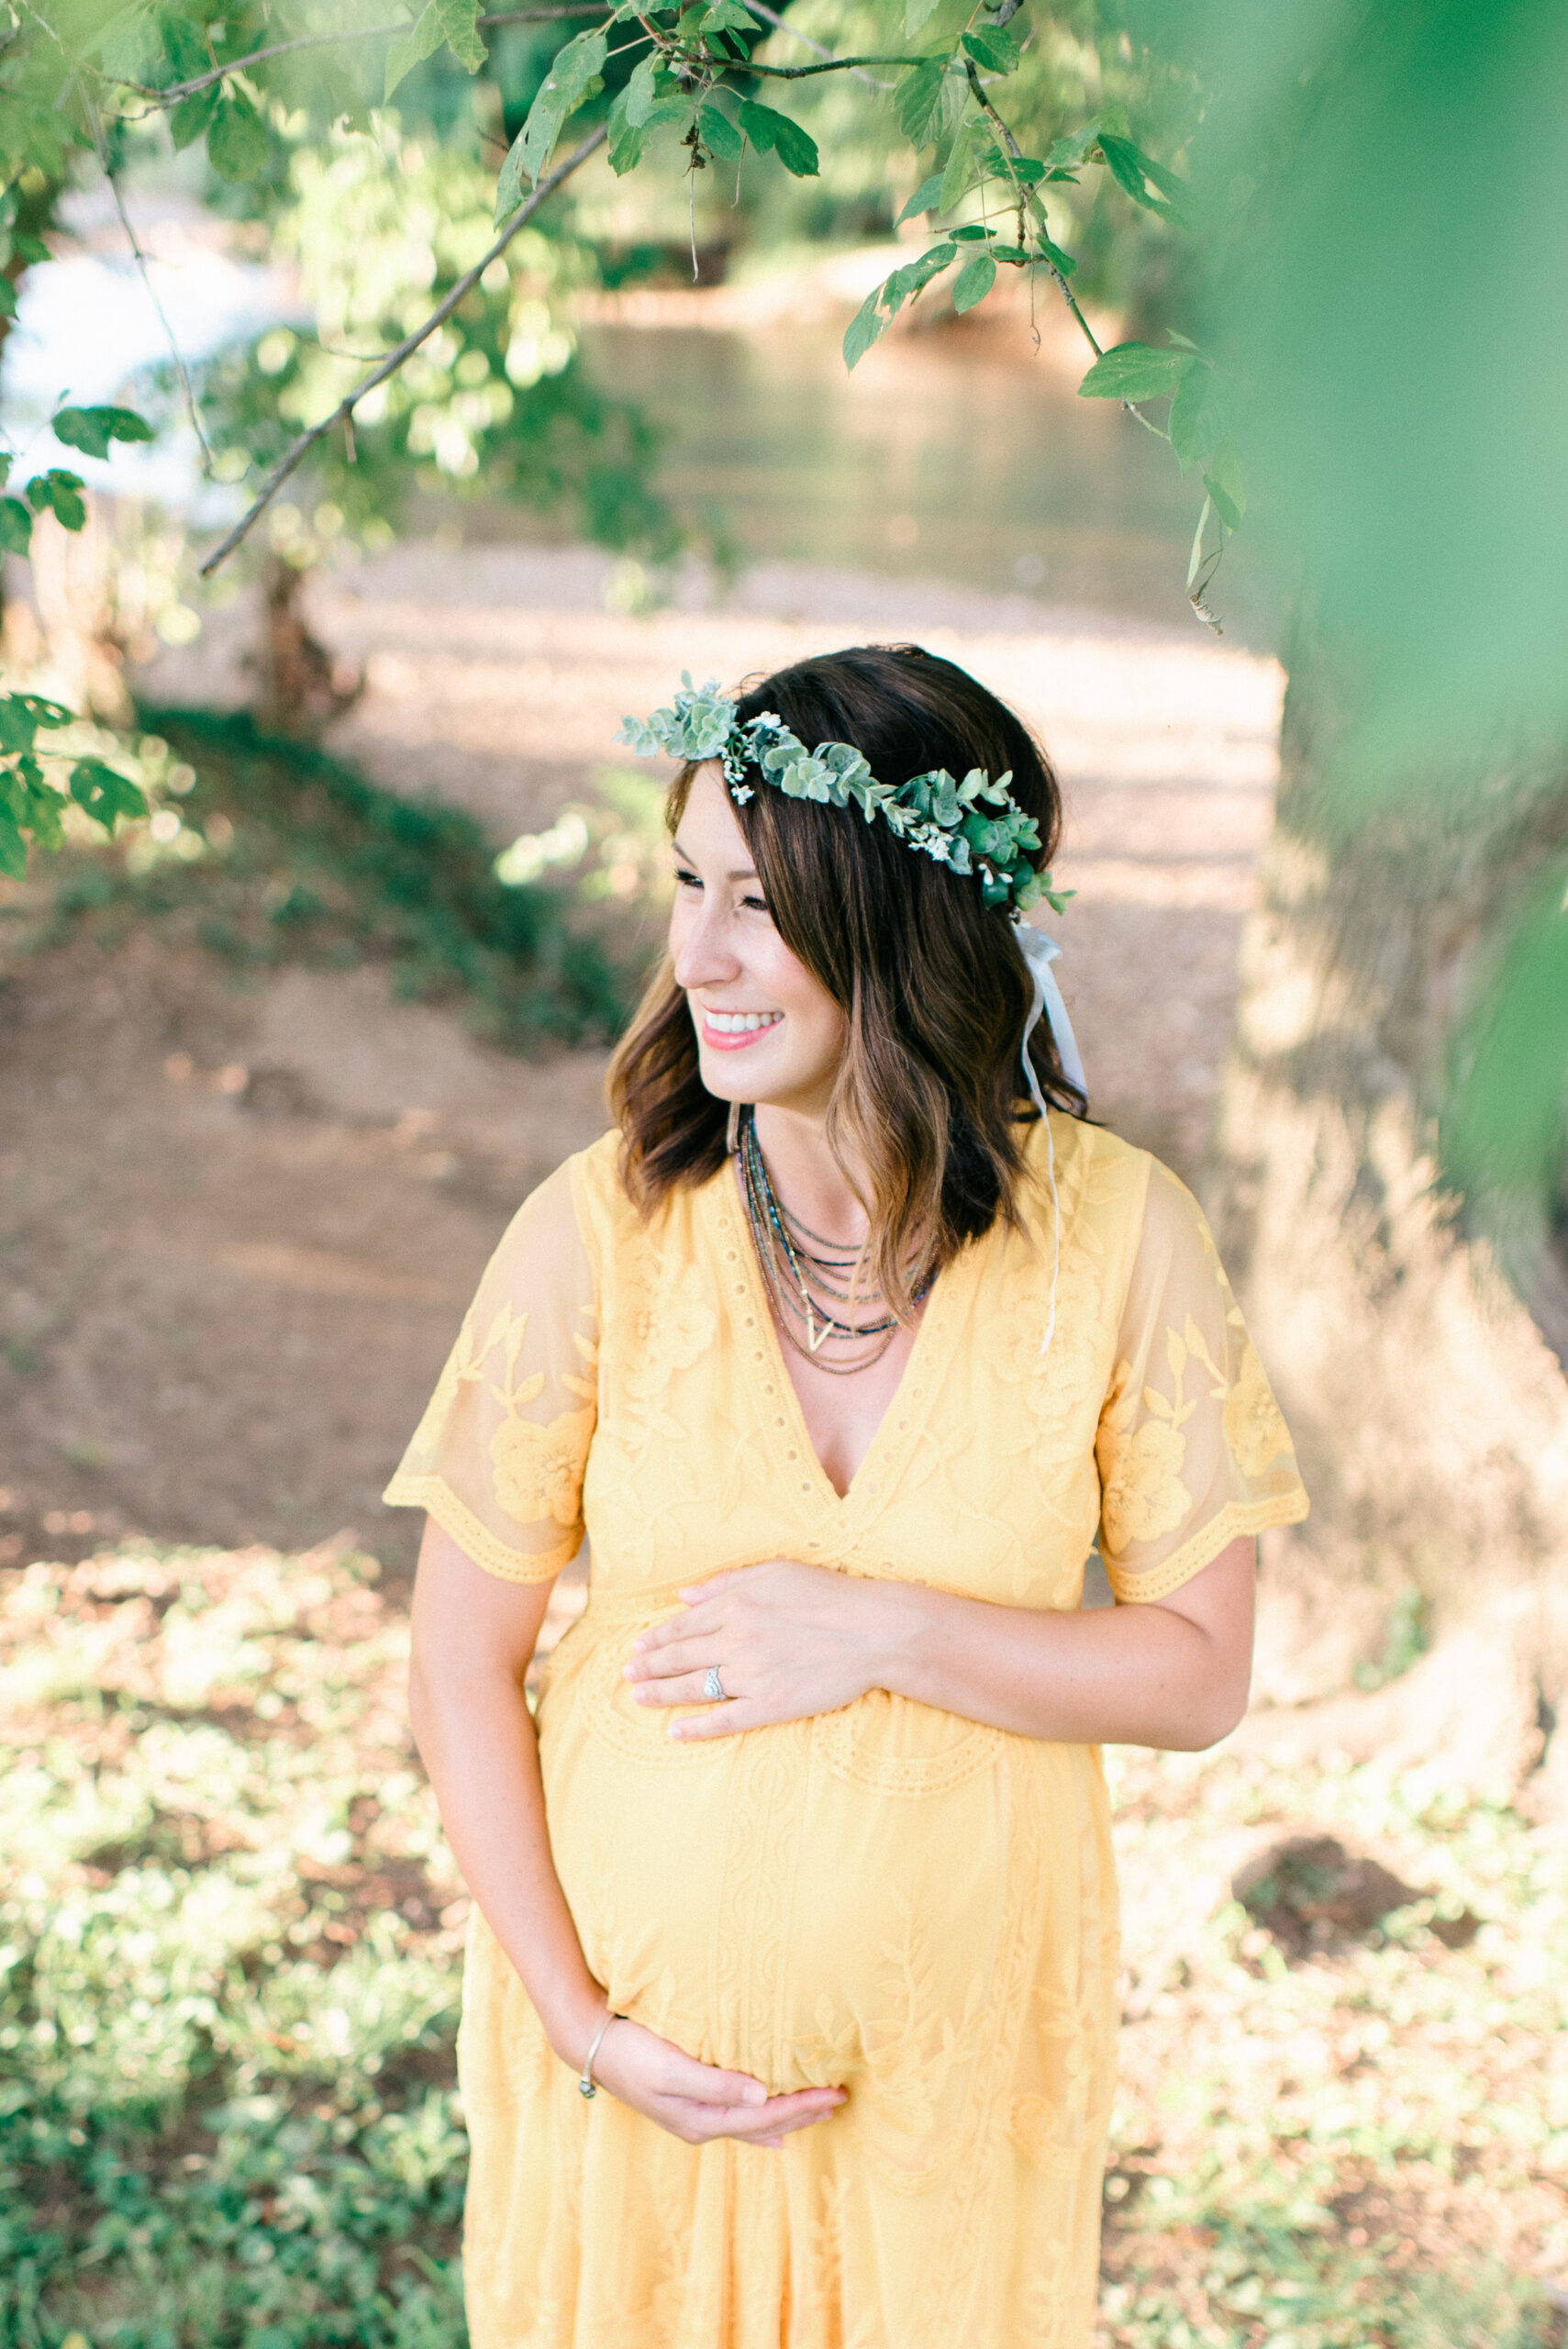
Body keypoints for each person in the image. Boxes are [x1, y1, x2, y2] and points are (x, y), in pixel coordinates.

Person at [388, 645, 1308, 2349]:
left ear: (901, 925)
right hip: (632, 2097)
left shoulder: (1117, 1236)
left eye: (759, 902)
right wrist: (585, 2028)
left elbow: (1196, 1673)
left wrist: (878, 1630)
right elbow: (457, 1666)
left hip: (948, 2114)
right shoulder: (599, 1232)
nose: (699, 954)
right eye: (688, 884)